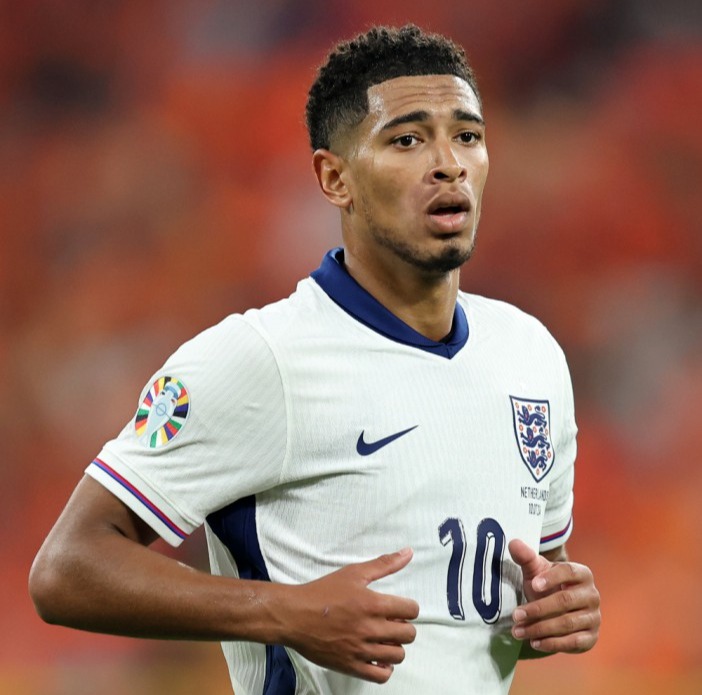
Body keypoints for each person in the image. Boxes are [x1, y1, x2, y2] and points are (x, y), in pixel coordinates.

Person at [29, 24, 600, 694]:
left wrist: (559, 610)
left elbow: (509, 602)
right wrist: (286, 612)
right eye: (408, 139)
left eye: (467, 135)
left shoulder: (531, 354)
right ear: (335, 178)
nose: (448, 163)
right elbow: (67, 567)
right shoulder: (260, 359)